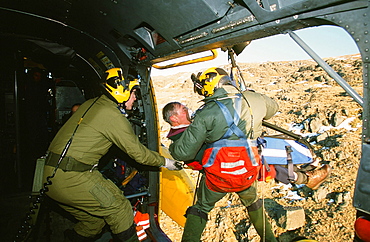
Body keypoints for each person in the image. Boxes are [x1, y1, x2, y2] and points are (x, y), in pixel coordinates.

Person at [43, 68, 182, 242]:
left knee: (93, 222)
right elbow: (139, 154)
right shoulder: (112, 115)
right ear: (121, 92)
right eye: (133, 93)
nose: (135, 98)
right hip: (72, 177)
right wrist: (166, 162)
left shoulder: (92, 103)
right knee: (120, 210)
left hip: (51, 176)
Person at [169, 67, 279, 242]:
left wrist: (173, 147)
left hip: (217, 178)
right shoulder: (255, 100)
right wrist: (251, 96)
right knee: (253, 202)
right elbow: (273, 109)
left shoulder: (205, 113)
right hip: (246, 172)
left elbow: (184, 152)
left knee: (201, 207)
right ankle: (271, 240)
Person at [163, 102, 331, 190]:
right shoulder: (181, 140)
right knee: (264, 157)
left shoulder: (190, 129)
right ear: (174, 119)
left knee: (264, 149)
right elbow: (204, 153)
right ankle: (307, 177)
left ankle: (306, 171)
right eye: (183, 109)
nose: (188, 110)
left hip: (226, 158)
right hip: (223, 166)